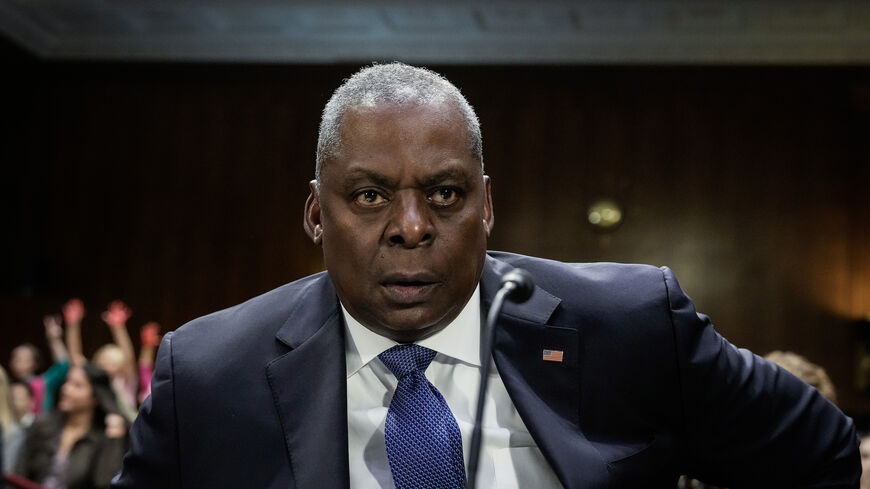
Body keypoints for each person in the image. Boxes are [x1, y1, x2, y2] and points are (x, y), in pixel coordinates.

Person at [111, 63, 859, 489]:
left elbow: (821, 454)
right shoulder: (210, 376)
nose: (411, 226)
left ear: (487, 205)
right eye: (369, 195)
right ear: (315, 213)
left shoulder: (629, 325)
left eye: (444, 193)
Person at [15, 363, 127, 489]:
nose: (66, 389)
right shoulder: (42, 426)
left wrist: (114, 438)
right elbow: (20, 473)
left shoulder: (103, 436)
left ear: (96, 397)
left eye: (77, 385)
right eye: (67, 382)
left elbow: (104, 482)